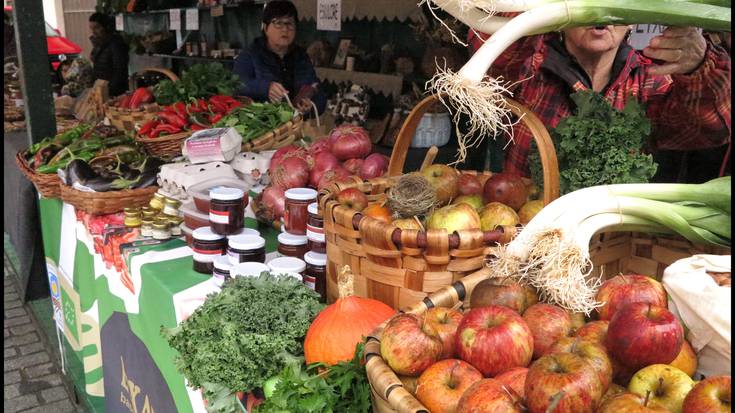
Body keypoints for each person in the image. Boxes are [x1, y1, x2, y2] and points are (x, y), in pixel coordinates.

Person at [468, 24, 731, 178]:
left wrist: (700, 66)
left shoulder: (650, 79)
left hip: (616, 245)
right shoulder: (530, 68)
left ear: (631, 20)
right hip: (525, 238)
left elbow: (712, 128)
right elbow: (494, 49)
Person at [233, 0, 325, 116]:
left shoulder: (301, 56)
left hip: (294, 125)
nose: (285, 29)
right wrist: (265, 88)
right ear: (266, 28)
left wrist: (311, 104)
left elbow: (315, 87)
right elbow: (237, 85)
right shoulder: (250, 55)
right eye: (278, 23)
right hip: (262, 124)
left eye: (290, 23)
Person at [88, 12, 129, 96]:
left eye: (97, 28)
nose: (93, 32)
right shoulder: (98, 44)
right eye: (91, 28)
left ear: (106, 27)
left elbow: (120, 70)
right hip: (101, 91)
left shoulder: (116, 44)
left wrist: (109, 90)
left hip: (114, 93)